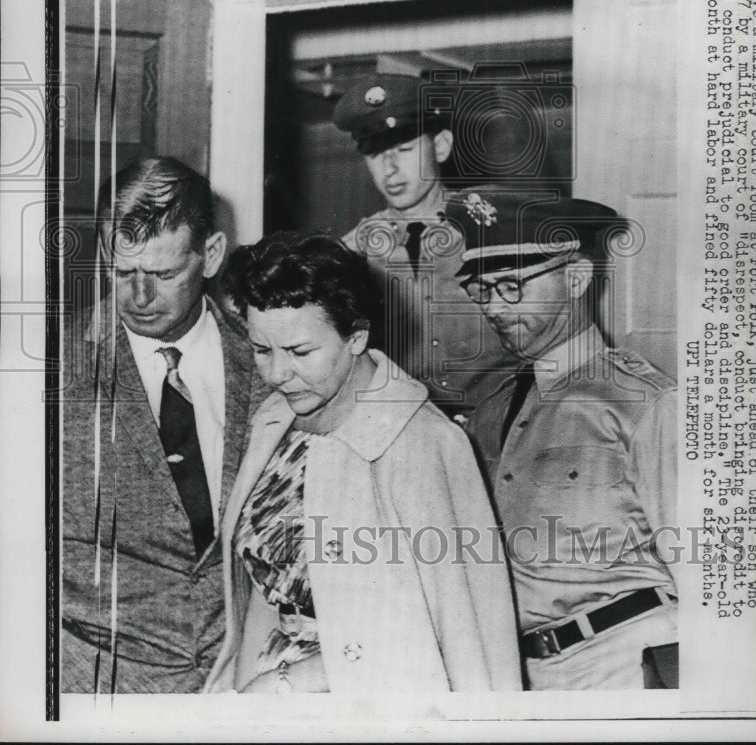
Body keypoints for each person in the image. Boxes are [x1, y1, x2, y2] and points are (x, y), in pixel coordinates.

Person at [204, 231, 521, 694]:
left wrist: (287, 685)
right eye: (261, 350)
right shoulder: (276, 421)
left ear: (356, 336)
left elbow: (458, 636)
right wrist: (244, 694)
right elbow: (265, 587)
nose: (275, 374)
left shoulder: (423, 443)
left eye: (299, 352)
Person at [449, 190, 678, 691]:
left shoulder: (643, 403)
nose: (493, 306)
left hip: (625, 667)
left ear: (576, 278)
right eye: (481, 289)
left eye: (510, 284)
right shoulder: (490, 409)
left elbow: (715, 579)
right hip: (523, 674)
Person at [61, 157, 268, 693]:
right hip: (95, 685)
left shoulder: (271, 362)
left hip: (244, 680)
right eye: (124, 271)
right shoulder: (48, 370)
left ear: (213, 255)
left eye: (164, 273)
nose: (140, 297)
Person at [333, 72, 514, 421]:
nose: (390, 168)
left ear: (441, 146)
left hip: (499, 428)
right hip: (407, 433)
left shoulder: (497, 229)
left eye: (404, 149)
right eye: (375, 154)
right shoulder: (350, 254)